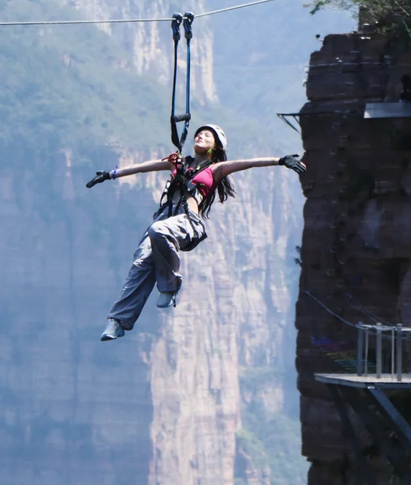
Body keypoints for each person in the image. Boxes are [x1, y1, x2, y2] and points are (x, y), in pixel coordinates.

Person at [86, 124, 305, 341]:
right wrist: (110, 174)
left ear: (216, 146)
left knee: (159, 231)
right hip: (165, 216)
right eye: (199, 134)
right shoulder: (178, 164)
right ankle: (118, 321)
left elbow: (247, 163)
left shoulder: (215, 169)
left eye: (207, 135)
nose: (200, 136)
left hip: (187, 221)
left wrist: (280, 160)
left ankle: (170, 285)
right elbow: (144, 167)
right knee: (141, 262)